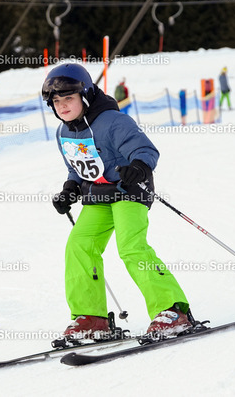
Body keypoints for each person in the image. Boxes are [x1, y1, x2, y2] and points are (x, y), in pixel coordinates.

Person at [42, 63, 192, 341]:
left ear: (85, 96)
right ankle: (92, 317)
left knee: (130, 246)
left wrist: (138, 167)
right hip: (98, 197)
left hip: (129, 190)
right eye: (56, 102)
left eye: (68, 98)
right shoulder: (63, 132)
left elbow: (145, 149)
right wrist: (70, 189)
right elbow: (77, 168)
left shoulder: (112, 121)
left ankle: (172, 309)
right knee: (78, 246)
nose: (62, 106)